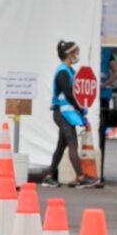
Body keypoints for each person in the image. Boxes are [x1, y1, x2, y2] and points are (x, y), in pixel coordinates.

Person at [42, 41, 99, 188]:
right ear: (69, 54)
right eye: (75, 52)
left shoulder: (70, 71)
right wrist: (79, 108)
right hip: (63, 114)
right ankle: (80, 177)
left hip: (66, 114)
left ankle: (49, 176)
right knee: (72, 144)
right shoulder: (62, 71)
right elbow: (68, 93)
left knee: (61, 146)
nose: (77, 55)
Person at [99, 46, 117, 183]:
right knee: (101, 136)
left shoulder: (86, 49)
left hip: (94, 97)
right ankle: (99, 171)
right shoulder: (107, 53)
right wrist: (105, 84)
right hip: (103, 96)